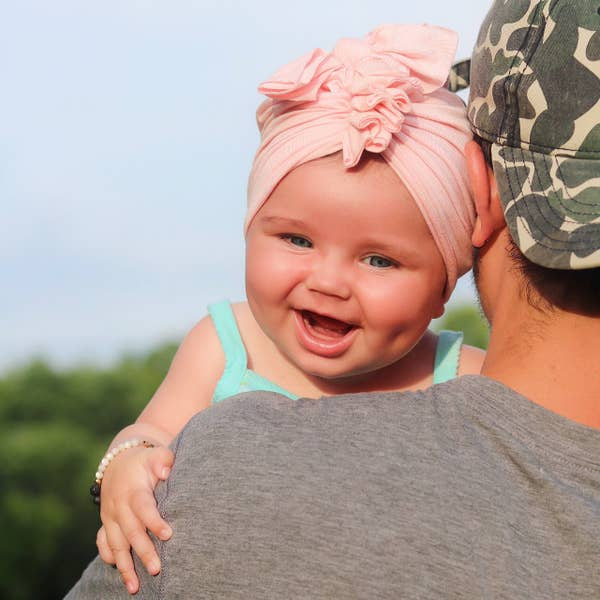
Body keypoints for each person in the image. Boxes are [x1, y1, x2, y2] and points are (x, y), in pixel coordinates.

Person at [67, 0, 600, 596]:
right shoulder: (225, 344)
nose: (328, 281)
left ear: (447, 277)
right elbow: (149, 434)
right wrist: (124, 473)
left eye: (379, 260)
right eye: (296, 238)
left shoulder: (461, 375)